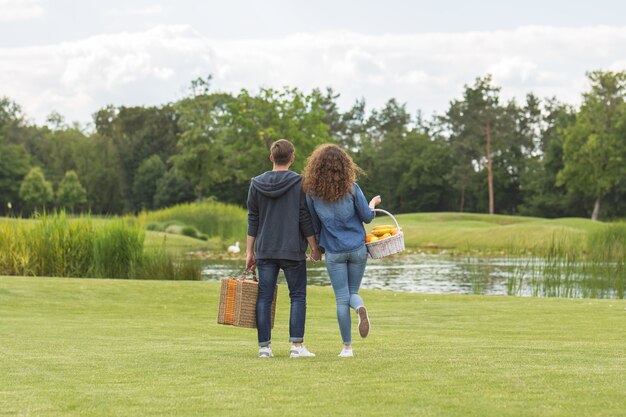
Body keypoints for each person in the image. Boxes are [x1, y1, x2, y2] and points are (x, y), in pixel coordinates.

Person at [302, 144, 381, 358]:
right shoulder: (353, 188)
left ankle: (347, 348)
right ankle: (360, 307)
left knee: (341, 299)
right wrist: (373, 203)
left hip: (334, 252)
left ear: (316, 167)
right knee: (352, 293)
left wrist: (315, 249)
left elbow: (315, 224)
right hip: (357, 249)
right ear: (345, 165)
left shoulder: (311, 193)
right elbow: (367, 216)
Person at [246, 139, 322, 359]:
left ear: (271, 157)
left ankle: (264, 348)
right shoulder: (300, 183)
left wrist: (249, 252)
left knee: (264, 297)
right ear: (292, 158)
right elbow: (304, 217)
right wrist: (314, 247)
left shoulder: (255, 183)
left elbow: (253, 219)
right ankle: (296, 347)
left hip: (266, 250)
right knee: (297, 296)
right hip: (292, 250)